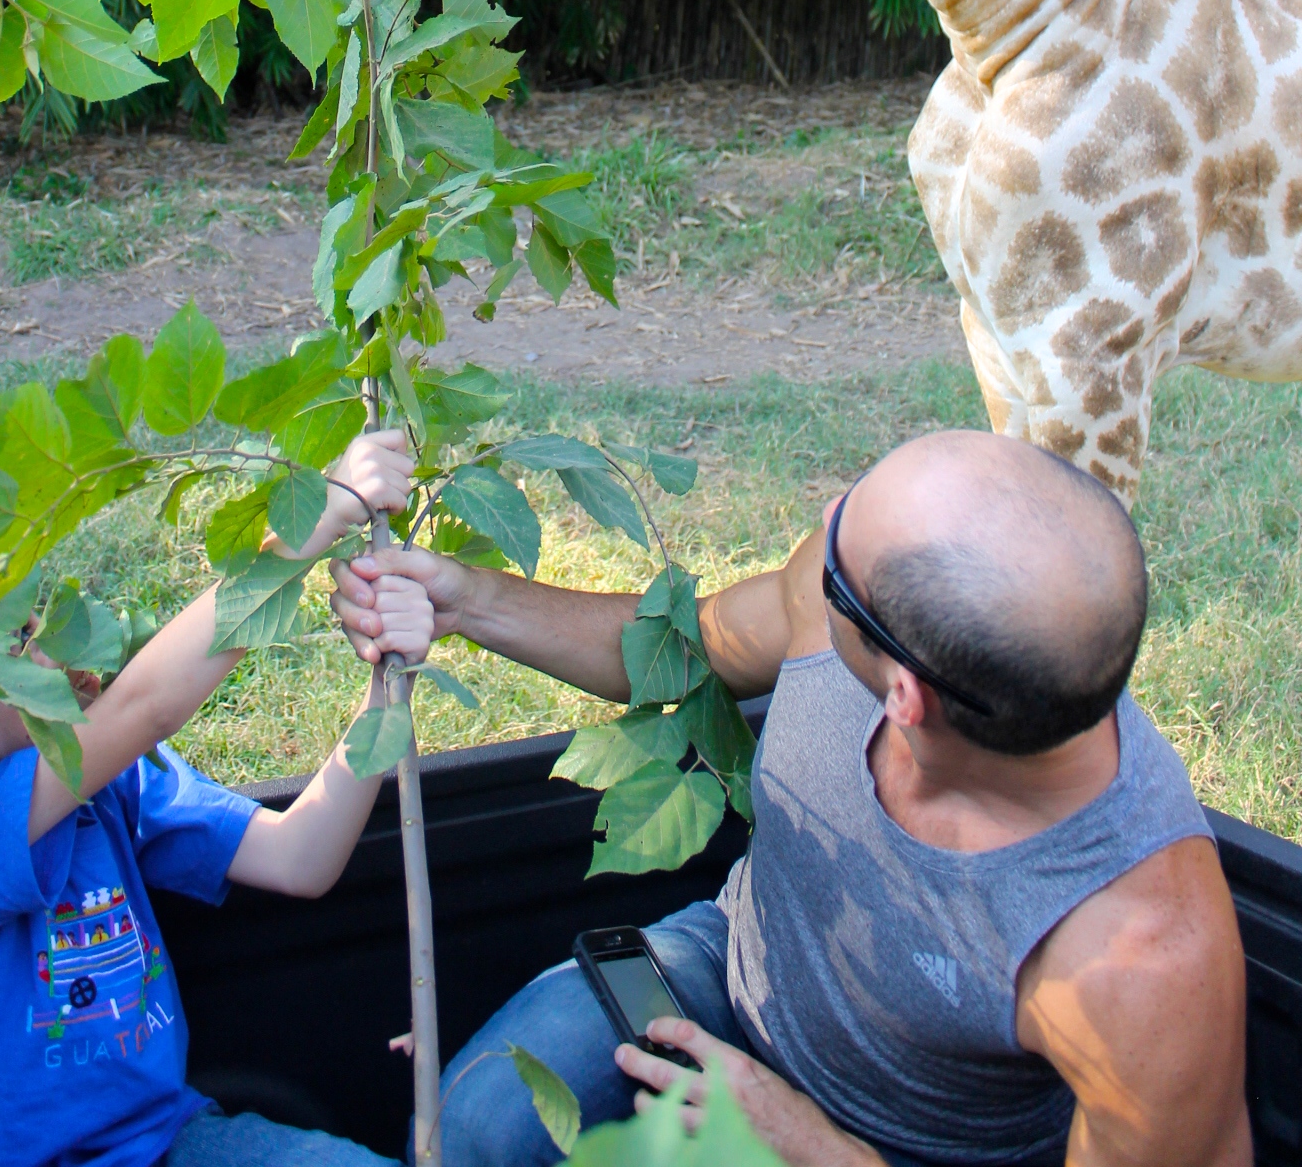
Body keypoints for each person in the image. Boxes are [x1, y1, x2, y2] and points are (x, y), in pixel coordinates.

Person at [333, 429, 1252, 1167]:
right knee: (484, 1124)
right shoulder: (857, 592)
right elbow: (687, 648)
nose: (823, 526)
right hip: (731, 973)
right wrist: (469, 600)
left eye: (844, 550)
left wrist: (810, 1145)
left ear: (905, 699)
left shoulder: (1142, 961)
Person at [0, 428, 433, 1167]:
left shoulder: (109, 787)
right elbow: (145, 706)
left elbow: (299, 858)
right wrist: (310, 518)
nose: (50, 640)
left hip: (164, 1143)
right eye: (19, 641)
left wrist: (388, 688)